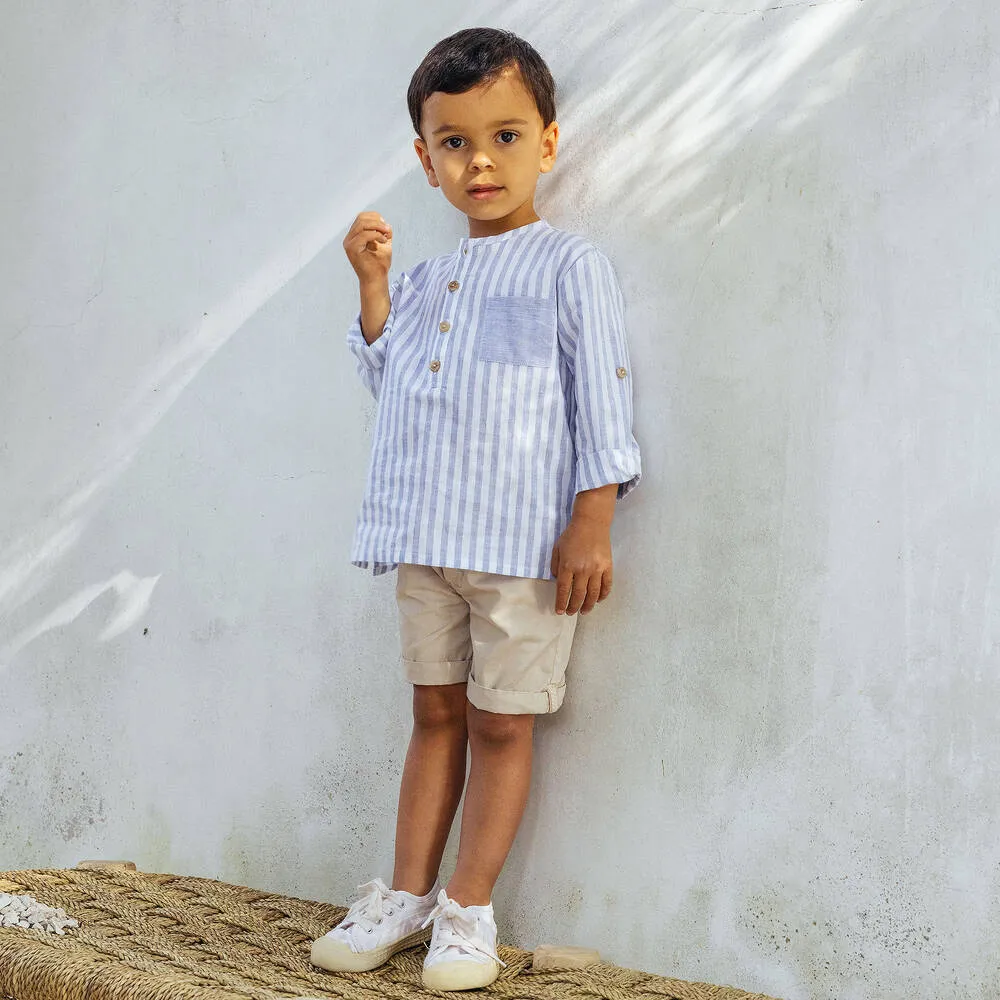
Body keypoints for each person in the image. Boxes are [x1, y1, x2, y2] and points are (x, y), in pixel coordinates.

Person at [310, 26, 641, 992]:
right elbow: (392, 377)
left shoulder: (565, 266)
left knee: (503, 724)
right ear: (426, 160)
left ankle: (469, 907)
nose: (479, 160)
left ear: (546, 142)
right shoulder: (421, 282)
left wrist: (593, 517)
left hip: (521, 550)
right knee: (433, 713)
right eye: (455, 142)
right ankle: (404, 893)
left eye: (503, 136)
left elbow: (601, 398)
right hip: (426, 542)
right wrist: (373, 285)